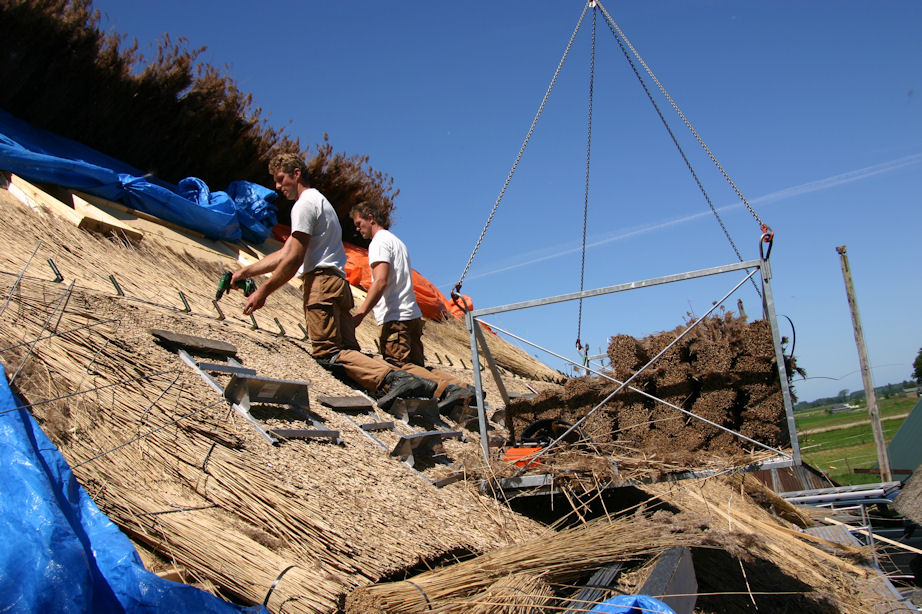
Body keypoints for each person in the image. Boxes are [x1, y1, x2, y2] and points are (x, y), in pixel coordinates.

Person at [231, 153, 435, 409]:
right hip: (339, 285)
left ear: (296, 174)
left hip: (322, 285)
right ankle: (411, 381)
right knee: (350, 350)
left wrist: (264, 292)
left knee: (328, 351)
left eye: (281, 179)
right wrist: (245, 272)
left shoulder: (304, 205)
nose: (277, 186)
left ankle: (394, 378)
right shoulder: (322, 203)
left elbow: (294, 259)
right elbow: (285, 251)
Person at [350, 202, 475, 412]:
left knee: (402, 367)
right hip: (412, 315)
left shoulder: (379, 243)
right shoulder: (397, 242)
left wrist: (361, 313)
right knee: (419, 369)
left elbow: (380, 281)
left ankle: (451, 390)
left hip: (395, 316)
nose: (356, 228)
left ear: (371, 218)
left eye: (358, 223)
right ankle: (464, 388)